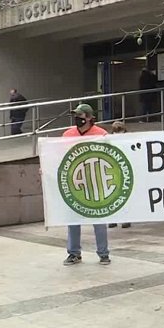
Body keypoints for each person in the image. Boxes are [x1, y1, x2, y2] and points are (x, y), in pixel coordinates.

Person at [62, 104, 111, 265]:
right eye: (76, 115)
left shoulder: (101, 134)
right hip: (74, 182)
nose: (77, 118)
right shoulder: (68, 134)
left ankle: (103, 253)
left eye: (81, 115)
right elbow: (58, 156)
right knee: (73, 220)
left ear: (90, 117)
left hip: (96, 182)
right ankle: (74, 253)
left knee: (99, 220)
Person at [108, 121, 131, 229]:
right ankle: (115, 219)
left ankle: (124, 219)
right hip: (113, 170)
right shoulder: (109, 139)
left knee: (122, 195)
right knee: (114, 195)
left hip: (123, 170)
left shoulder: (128, 139)